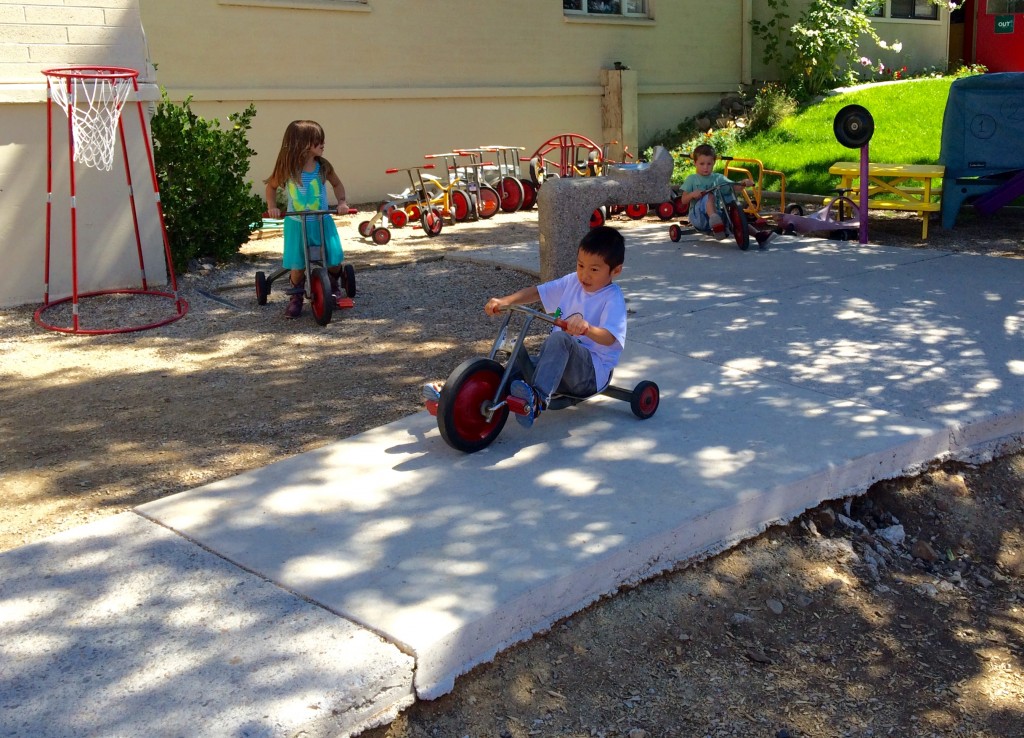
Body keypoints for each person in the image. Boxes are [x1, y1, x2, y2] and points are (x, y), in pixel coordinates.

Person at [483, 225, 628, 427]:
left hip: (590, 375)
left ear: (616, 270)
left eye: (594, 269)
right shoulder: (572, 282)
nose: (585, 275)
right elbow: (536, 292)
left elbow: (611, 337)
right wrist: (505, 301)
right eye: (580, 265)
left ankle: (538, 400)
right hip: (558, 368)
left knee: (559, 339)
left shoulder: (612, 298)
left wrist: (587, 328)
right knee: (516, 363)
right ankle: (467, 392)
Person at [264, 120, 350, 317]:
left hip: (321, 221)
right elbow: (271, 186)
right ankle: (296, 297)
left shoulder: (323, 166)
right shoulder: (287, 169)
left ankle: (333, 283)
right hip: (296, 224)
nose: (323, 144)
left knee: (333, 260)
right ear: (302, 143)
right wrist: (272, 207)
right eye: (317, 141)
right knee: (298, 265)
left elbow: (337, 184)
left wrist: (342, 202)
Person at [679, 143, 777, 249]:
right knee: (709, 195)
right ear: (695, 163)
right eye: (702, 164)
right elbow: (683, 200)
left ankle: (759, 236)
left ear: (714, 163)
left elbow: (733, 186)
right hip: (699, 217)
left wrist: (743, 183)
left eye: (709, 164)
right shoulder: (692, 179)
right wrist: (693, 194)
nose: (705, 167)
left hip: (717, 214)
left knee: (735, 217)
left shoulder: (718, 178)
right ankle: (715, 221)